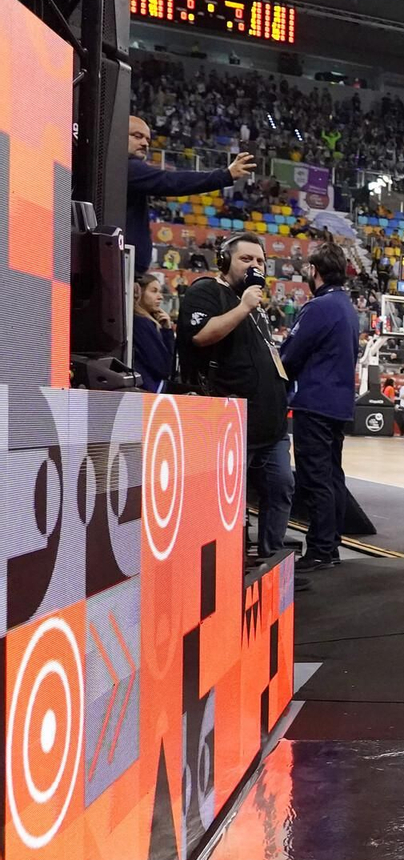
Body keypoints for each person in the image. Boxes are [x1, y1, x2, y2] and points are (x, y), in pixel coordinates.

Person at [177, 233, 294, 561]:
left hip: (270, 425)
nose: (255, 266)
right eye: (246, 259)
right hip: (231, 423)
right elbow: (200, 336)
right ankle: (230, 563)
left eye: (260, 261)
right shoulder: (207, 291)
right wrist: (243, 306)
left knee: (281, 488)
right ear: (225, 262)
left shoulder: (256, 306)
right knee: (229, 500)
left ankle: (272, 558)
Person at [279, 243, 361, 575]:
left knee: (316, 478)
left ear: (315, 271)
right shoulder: (347, 306)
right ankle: (331, 544)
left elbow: (290, 354)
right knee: (333, 476)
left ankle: (320, 549)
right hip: (338, 404)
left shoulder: (319, 307)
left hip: (315, 402)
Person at [128, 116, 254, 274]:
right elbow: (170, 181)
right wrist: (225, 175)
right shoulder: (127, 167)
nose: (145, 144)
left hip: (130, 268)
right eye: (137, 136)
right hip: (124, 266)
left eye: (148, 139)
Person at [131, 273, 175, 392]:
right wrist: (167, 333)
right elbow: (164, 368)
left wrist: (167, 329)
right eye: (154, 291)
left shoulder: (147, 321)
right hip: (150, 390)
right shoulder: (140, 322)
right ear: (139, 292)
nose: (160, 297)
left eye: (160, 292)